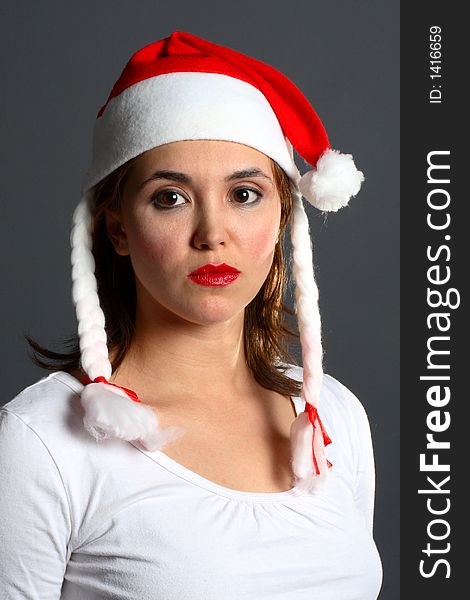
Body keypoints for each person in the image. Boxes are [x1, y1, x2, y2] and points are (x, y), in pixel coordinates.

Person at [0, 31, 383, 599]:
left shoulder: (335, 421)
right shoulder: (42, 442)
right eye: (170, 197)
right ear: (118, 228)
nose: (212, 234)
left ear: (282, 215)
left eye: (245, 194)